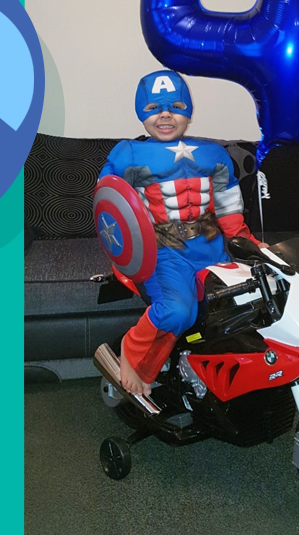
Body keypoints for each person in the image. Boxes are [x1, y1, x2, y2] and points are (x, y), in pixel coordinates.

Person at [100, 70, 265, 396]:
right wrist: (124, 255)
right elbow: (108, 205)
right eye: (153, 108)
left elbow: (228, 203)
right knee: (178, 311)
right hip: (163, 253)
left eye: (175, 105)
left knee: (255, 297)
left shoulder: (214, 153)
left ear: (187, 112)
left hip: (211, 246)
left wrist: (248, 245)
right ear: (141, 112)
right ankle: (133, 355)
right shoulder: (128, 153)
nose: (165, 114)